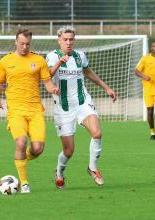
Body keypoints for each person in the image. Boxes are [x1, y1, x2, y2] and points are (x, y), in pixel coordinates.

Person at [46, 26, 117, 189]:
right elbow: (47, 75)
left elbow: (88, 72)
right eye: (65, 39)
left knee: (97, 133)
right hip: (63, 108)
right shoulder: (52, 56)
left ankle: (92, 168)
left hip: (82, 102)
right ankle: (60, 172)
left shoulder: (80, 56)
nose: (68, 42)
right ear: (59, 41)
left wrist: (106, 87)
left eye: (71, 39)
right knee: (69, 151)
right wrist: (59, 62)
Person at [0, 29, 59, 193]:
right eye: (21, 43)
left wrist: (54, 90)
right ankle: (24, 183)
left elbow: (48, 83)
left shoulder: (39, 60)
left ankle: (21, 158)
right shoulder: (5, 61)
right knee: (20, 142)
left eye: (27, 44)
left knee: (38, 149)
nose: (24, 46)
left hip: (35, 110)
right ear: (16, 42)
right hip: (15, 110)